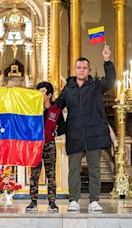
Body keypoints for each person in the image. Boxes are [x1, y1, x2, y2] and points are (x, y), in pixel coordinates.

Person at [56, 44, 115, 212]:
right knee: (73, 169)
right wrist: (43, 101)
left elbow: (110, 81)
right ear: (75, 70)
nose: (81, 70)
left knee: (94, 168)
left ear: (89, 70)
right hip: (74, 133)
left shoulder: (96, 86)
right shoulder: (68, 89)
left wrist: (107, 61)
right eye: (79, 67)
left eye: (84, 68)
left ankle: (94, 200)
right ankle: (74, 200)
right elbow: (57, 107)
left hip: (94, 133)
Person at [26, 82, 65, 212]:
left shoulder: (55, 110)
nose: (39, 95)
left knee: (51, 174)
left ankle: (52, 202)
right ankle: (33, 201)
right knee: (34, 175)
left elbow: (63, 127)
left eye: (42, 92)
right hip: (36, 145)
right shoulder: (32, 109)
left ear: (49, 95)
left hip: (49, 144)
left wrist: (55, 133)